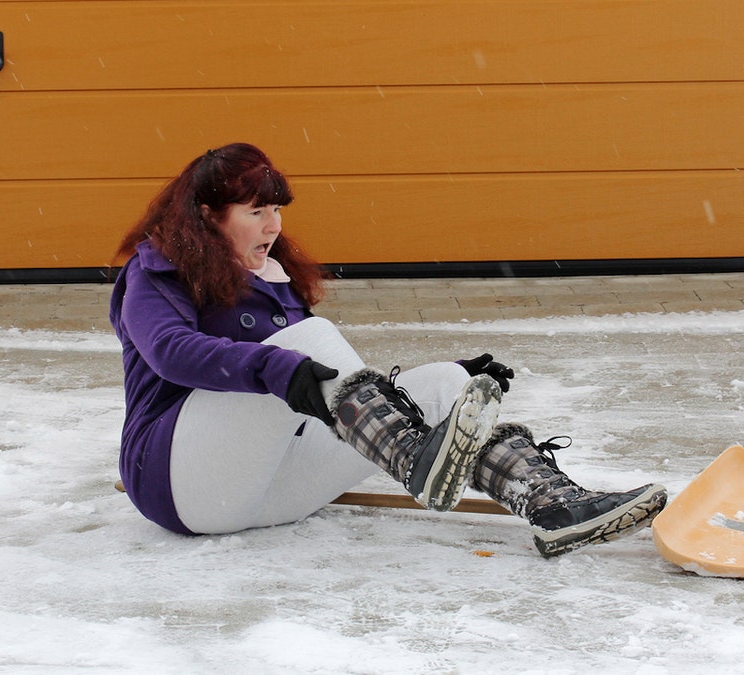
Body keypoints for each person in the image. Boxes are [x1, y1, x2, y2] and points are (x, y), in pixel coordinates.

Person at [109, 142, 667, 557]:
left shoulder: (273, 277)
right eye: (256, 212)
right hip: (181, 484)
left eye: (277, 210)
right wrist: (280, 366)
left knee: (447, 384)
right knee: (310, 343)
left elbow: (324, 392)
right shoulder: (157, 272)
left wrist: (440, 383)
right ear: (209, 216)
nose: (274, 226)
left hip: (272, 491)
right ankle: (410, 457)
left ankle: (552, 506)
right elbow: (170, 351)